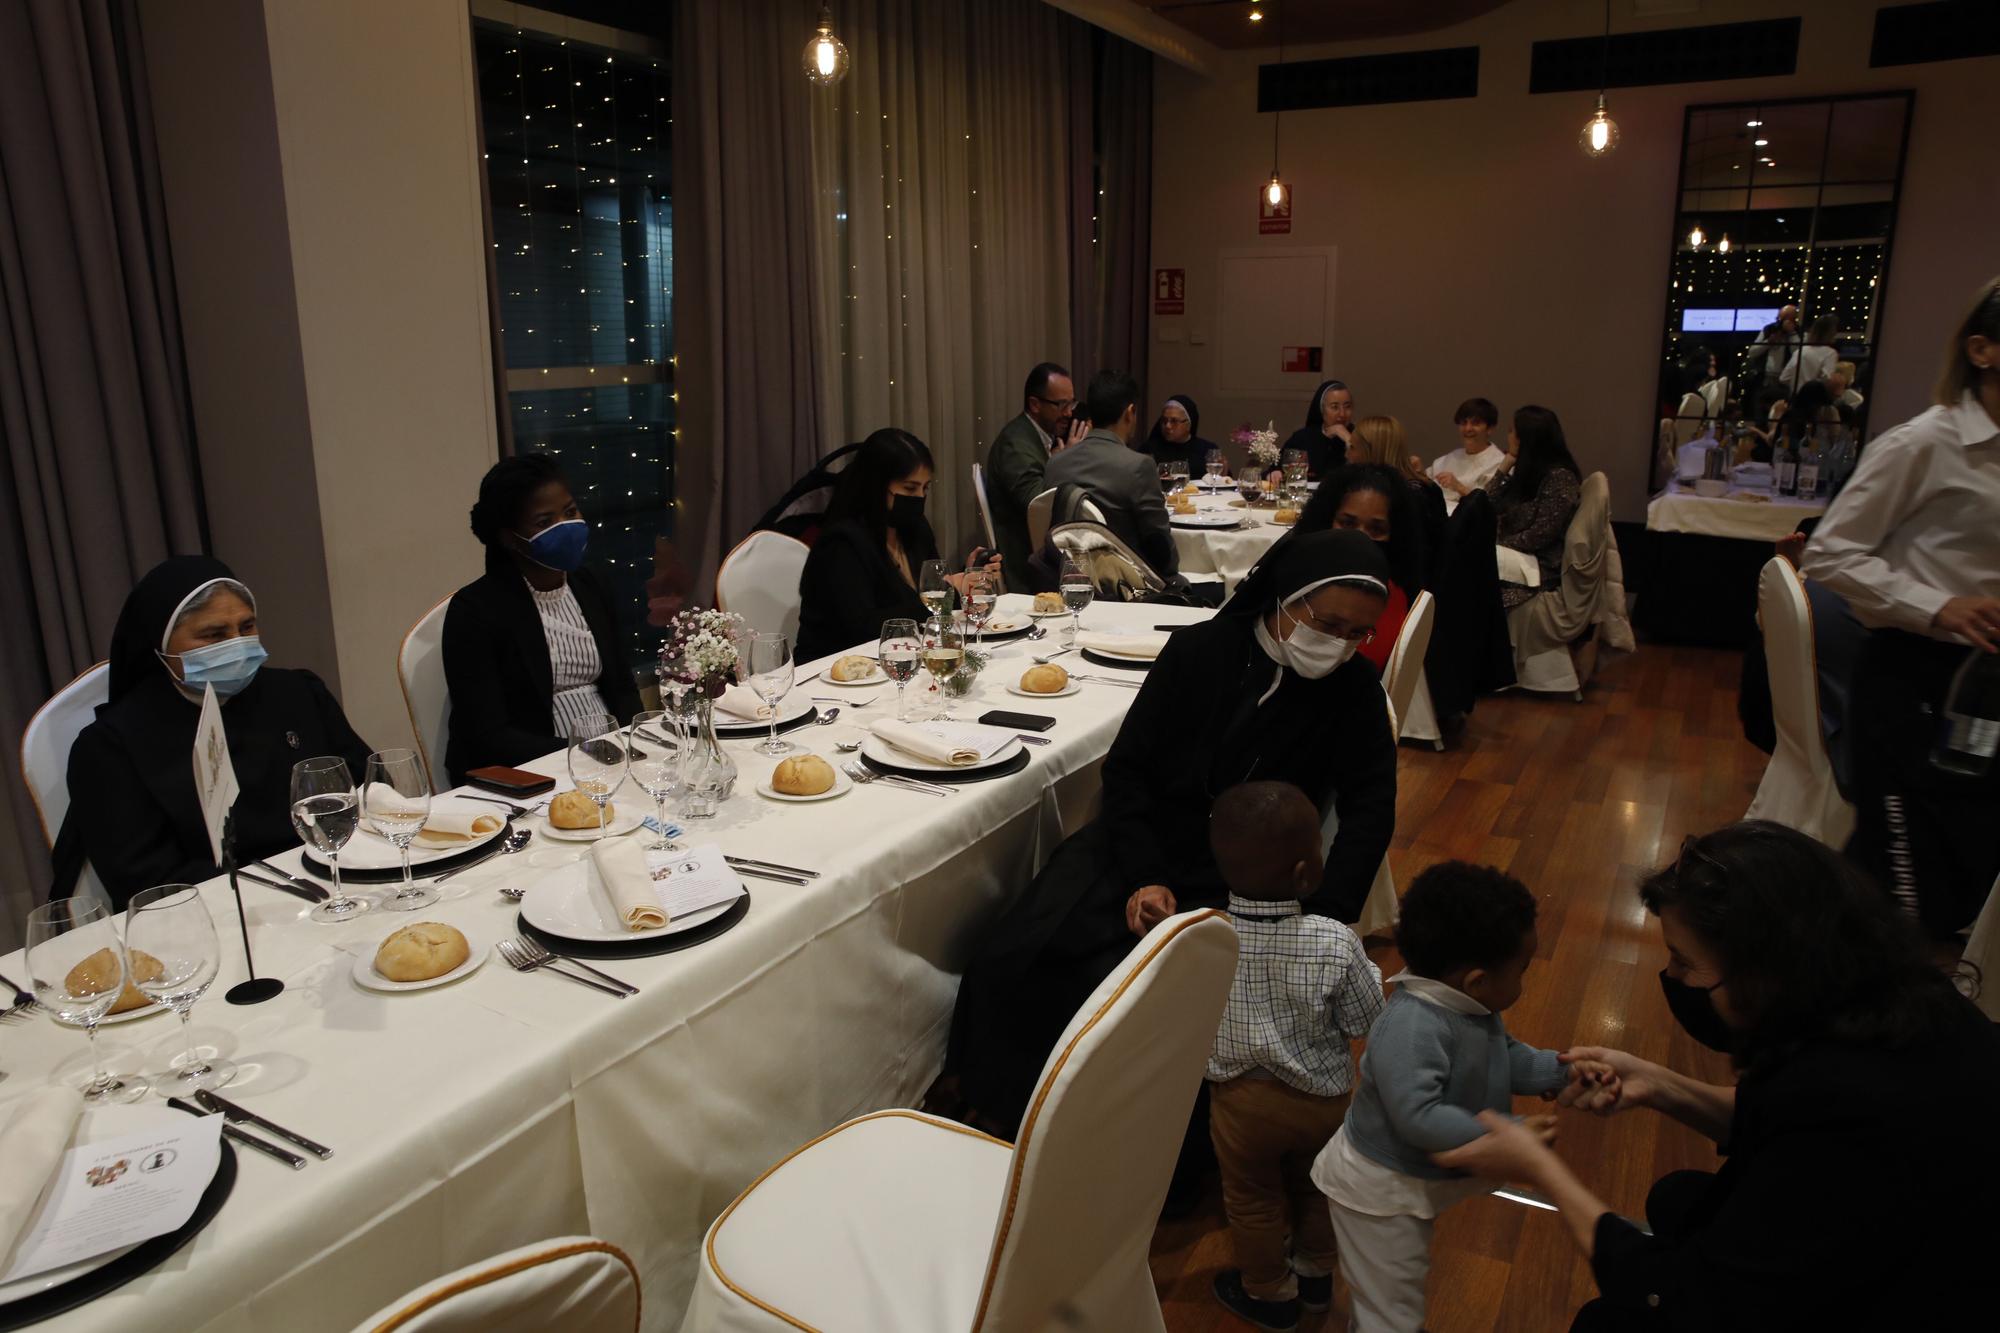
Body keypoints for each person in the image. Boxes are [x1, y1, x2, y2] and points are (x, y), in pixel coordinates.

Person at [1432, 822, 2000, 1331]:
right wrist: (1659, 1084)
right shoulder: (1891, 1001)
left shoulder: (1855, 1121)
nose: (1672, 977)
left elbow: (1676, 1296)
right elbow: (1783, 1113)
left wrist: (1541, 1170)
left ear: (1765, 970)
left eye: (1684, 961)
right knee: (1678, 1199)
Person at [951, 530, 1398, 1134]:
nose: (1338, 644)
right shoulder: (1201, 651)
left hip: (1251, 881)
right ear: (1286, 598)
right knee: (1027, 954)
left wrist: (1323, 915)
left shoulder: (1355, 692)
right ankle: (1003, 1109)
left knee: (1151, 1007)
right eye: (1328, 622)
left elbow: (1372, 809)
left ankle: (1106, 1141)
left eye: (1357, 634)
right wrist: (1145, 877)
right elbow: (1129, 769)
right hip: (1144, 841)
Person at [1311, 860, 1590, 1333]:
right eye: (1522, 971)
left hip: (1411, 1177)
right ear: (1477, 980)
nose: (1524, 982)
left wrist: (1561, 1071)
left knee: (1391, 1298)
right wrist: (1509, 1133)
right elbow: (1418, 1118)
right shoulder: (1412, 1026)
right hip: (1378, 1193)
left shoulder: (1465, 1005)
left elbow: (1500, 1056)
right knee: (1391, 1312)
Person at [1801, 275, 2000, 936]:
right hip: (1914, 675)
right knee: (1905, 878)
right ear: (1982, 349)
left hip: (1985, 685)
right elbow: (1827, 553)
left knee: (1973, 862)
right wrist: (1938, 605)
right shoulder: (1926, 443)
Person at [64, 556, 373, 906]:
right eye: (213, 635)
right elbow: (148, 884)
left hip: (338, 881)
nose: (236, 645)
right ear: (160, 646)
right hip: (220, 911)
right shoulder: (110, 748)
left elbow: (368, 788)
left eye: (246, 627)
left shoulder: (298, 693)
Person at [1205, 781, 1385, 1331]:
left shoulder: (1206, 934)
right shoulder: (1334, 939)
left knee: (1252, 1200)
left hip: (1238, 1101)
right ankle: (1315, 1280)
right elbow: (1364, 1020)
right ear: (1306, 874)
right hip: (1322, 1100)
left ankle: (1267, 1294)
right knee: (1318, 1189)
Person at [443, 455, 642, 784]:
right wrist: (580, 752)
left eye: (570, 512)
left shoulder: (591, 585)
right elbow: (488, 734)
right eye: (544, 522)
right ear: (509, 538)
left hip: (610, 757)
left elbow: (622, 685)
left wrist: (636, 740)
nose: (564, 527)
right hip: (527, 772)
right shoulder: (476, 611)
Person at [796, 427, 1000, 663]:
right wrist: (948, 590)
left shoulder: (914, 528)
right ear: (876, 486)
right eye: (909, 488)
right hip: (832, 670)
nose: (919, 498)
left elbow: (925, 601)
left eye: (925, 488)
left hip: (898, 659)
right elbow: (864, 628)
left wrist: (966, 580)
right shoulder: (841, 544)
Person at [1042, 369, 1180, 577]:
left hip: (1063, 580)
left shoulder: (1055, 464)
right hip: (1125, 589)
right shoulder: (1139, 466)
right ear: (1130, 412)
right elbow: (1162, 554)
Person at [1290, 464, 1424, 673]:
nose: (1360, 538)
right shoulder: (1305, 576)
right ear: (1326, 520)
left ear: (1395, 534)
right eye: (1347, 523)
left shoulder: (1382, 598)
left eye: (1376, 529)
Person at [985, 362, 1086, 593]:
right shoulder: (1016, 444)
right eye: (1061, 404)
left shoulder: (1038, 435)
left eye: (1071, 403)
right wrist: (1065, 462)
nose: (1069, 412)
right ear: (1034, 404)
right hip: (1025, 562)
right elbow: (1038, 506)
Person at [1484, 405, 1583, 609]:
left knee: (1468, 578)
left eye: (1512, 431)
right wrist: (1504, 468)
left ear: (1526, 439)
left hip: (1539, 567)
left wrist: (1500, 544)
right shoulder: (1528, 473)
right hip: (1518, 555)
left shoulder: (1559, 478)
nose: (1508, 436)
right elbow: (1486, 505)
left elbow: (1541, 534)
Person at [1344, 415, 1446, 587]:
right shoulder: (1426, 486)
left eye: (1352, 448)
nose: (1347, 455)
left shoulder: (1396, 499)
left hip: (1398, 592)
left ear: (1371, 451)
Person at [1429, 397, 1509, 507]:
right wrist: (1417, 473)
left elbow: (1489, 507)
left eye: (1475, 423)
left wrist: (1458, 487)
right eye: (1463, 423)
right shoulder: (1452, 457)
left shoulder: (1500, 464)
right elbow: (1428, 482)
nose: (1468, 429)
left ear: (1490, 428)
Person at [1280, 379, 1354, 480]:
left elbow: (1368, 473)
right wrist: (1275, 473)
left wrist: (1349, 440)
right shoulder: (1303, 438)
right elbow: (1276, 469)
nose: (1342, 414)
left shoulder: (1361, 435)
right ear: (1321, 409)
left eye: (1347, 407)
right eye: (1335, 407)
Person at [1142, 394, 1220, 482]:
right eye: (1164, 420)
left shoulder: (1207, 450)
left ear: (1188, 424)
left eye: (1174, 421)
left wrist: (1223, 473)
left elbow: (1221, 481)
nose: (1168, 426)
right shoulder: (1148, 449)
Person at [1777, 313, 1838, 394]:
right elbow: (1827, 379)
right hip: (1815, 401)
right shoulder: (1830, 353)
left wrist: (1798, 386)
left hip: (1795, 400)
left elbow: (1783, 378)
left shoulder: (1801, 351)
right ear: (1831, 333)